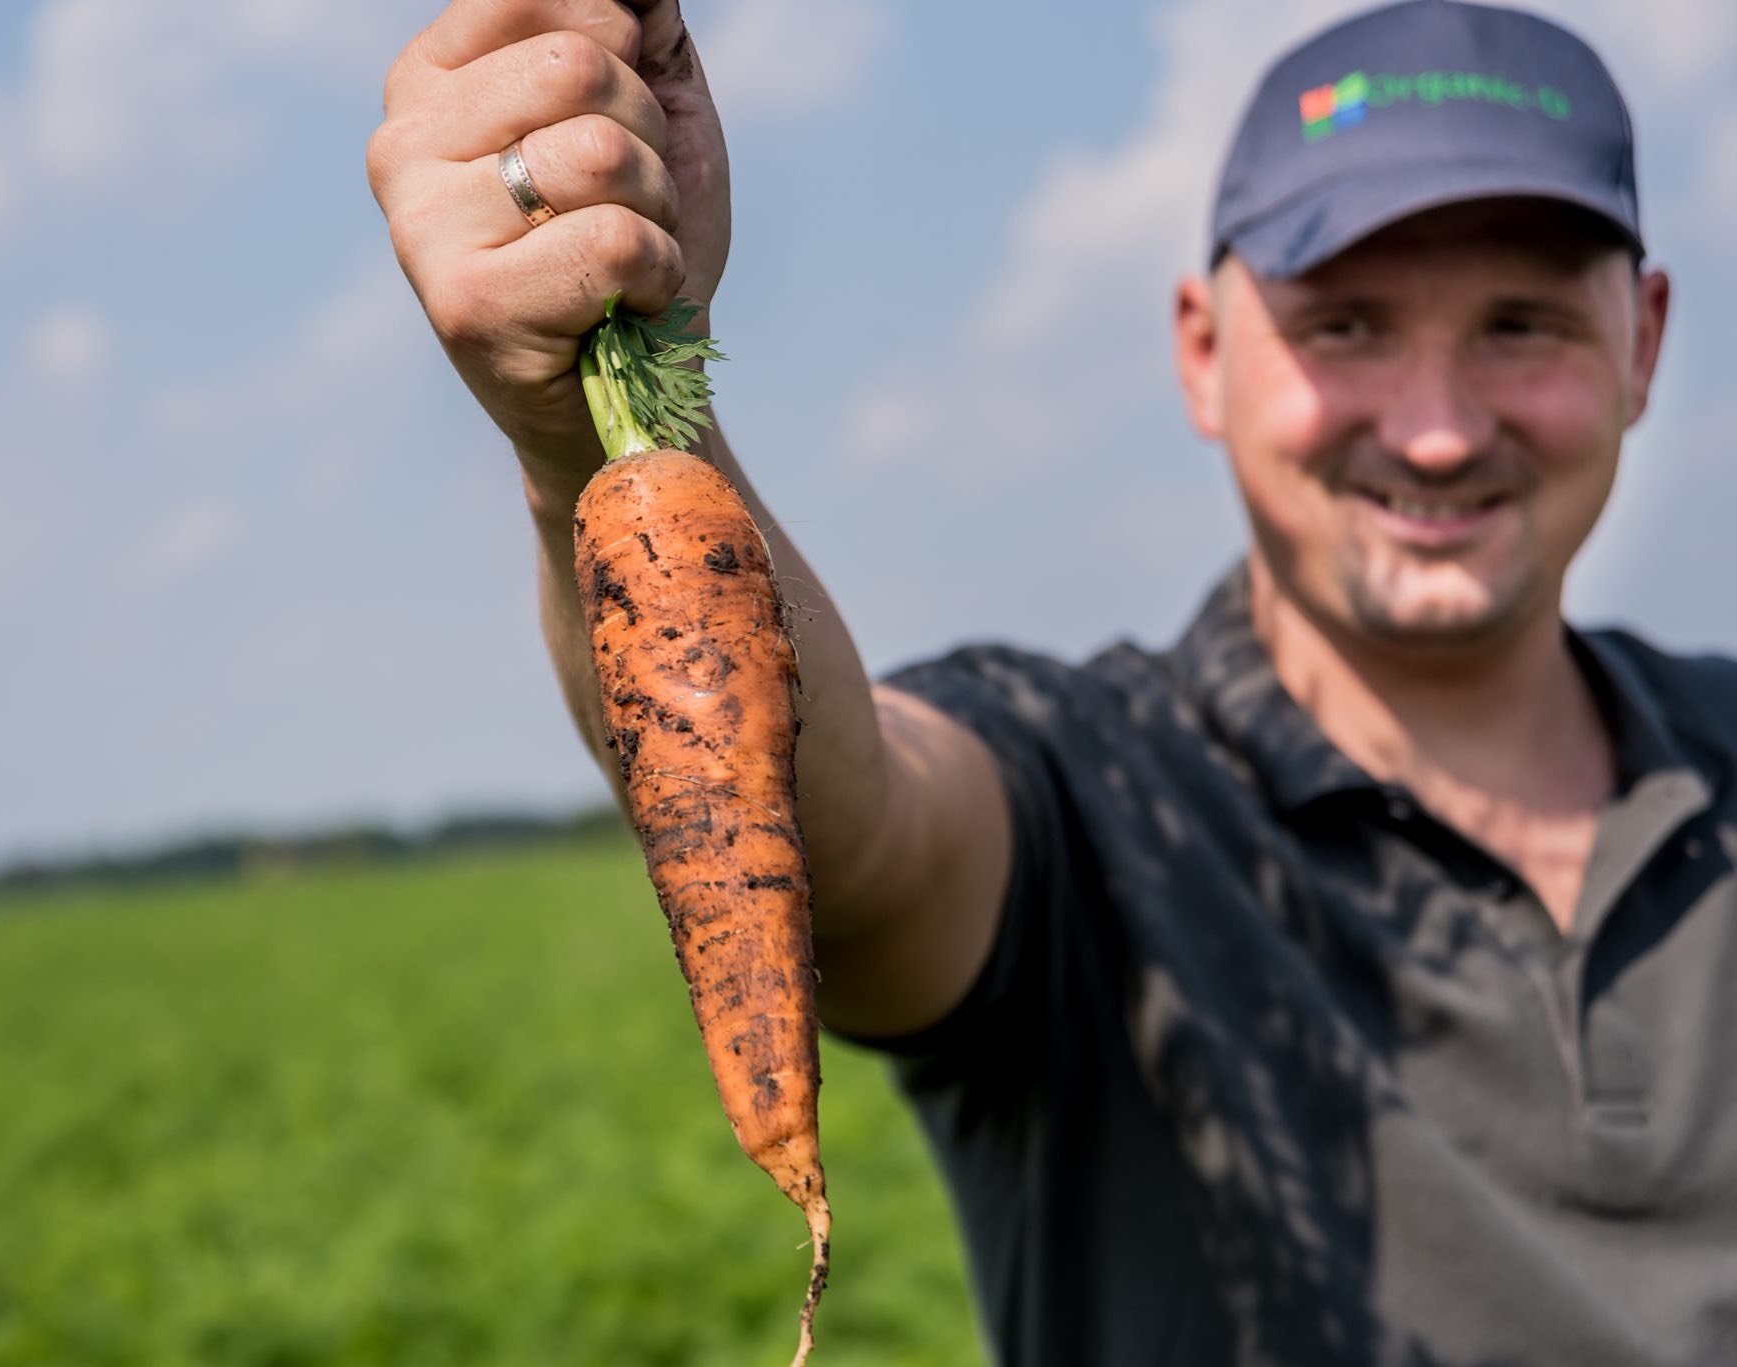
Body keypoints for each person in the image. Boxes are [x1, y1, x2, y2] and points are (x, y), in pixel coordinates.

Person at [369, 0, 1737, 1360]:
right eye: (1349, 327)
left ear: (1646, 345)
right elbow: (868, 834)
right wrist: (578, 446)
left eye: (1521, 326)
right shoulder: (1093, 791)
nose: (1437, 431)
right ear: (1204, 350)